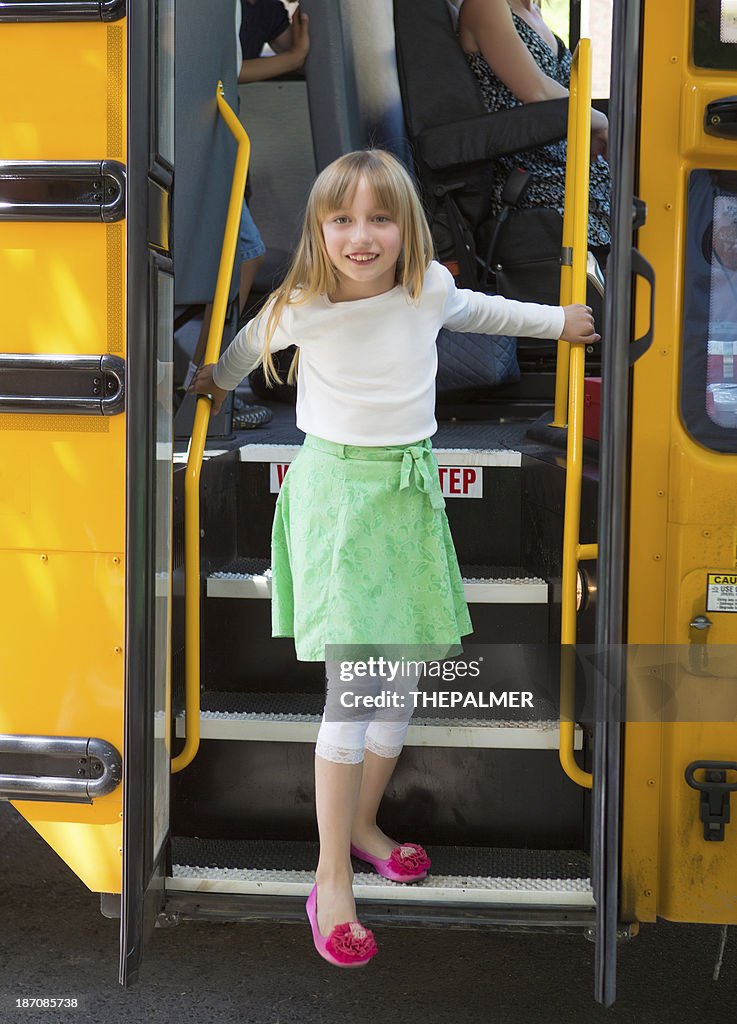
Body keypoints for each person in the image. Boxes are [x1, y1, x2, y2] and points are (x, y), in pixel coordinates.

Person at [189, 148, 599, 967]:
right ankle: (329, 873)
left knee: (401, 676)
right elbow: (239, 353)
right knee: (355, 687)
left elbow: (489, 312)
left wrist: (561, 322)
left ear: (404, 227)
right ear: (319, 229)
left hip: (409, 498)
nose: (361, 236)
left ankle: (367, 825)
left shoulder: (427, 291)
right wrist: (208, 384)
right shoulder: (301, 304)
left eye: (379, 218)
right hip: (338, 499)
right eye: (341, 219)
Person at [186, 1, 310, 390]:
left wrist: (299, 49)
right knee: (244, 255)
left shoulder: (267, 10)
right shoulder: (214, 10)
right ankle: (204, 383)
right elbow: (223, 69)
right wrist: (291, 60)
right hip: (193, 135)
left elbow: (301, 44)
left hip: (223, 138)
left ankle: (199, 379)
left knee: (239, 255)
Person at [458, 0, 611, 254]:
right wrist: (601, 123)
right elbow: (536, 91)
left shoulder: (534, 10)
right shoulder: (486, 5)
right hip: (525, 173)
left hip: (557, 159)